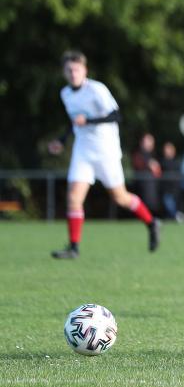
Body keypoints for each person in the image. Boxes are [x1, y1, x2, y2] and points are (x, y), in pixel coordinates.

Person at [47, 50, 160, 258]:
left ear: (85, 70)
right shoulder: (66, 94)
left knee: (120, 197)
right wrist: (61, 141)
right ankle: (73, 248)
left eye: (77, 69)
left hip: (105, 150)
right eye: (69, 70)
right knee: (74, 197)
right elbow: (75, 122)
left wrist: (88, 121)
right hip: (83, 151)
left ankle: (152, 223)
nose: (73, 73)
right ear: (64, 72)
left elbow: (116, 116)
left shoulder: (97, 90)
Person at [131, 133, 161, 215]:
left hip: (153, 188)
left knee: (152, 208)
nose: (149, 143)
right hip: (141, 187)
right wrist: (148, 164)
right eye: (147, 141)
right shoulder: (138, 154)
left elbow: (158, 172)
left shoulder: (154, 155)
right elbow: (137, 164)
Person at [159, 141, 182, 221]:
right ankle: (176, 216)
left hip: (175, 189)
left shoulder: (176, 162)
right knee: (168, 205)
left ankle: (176, 216)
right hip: (166, 189)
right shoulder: (161, 162)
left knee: (171, 206)